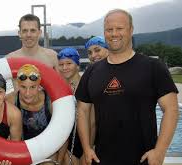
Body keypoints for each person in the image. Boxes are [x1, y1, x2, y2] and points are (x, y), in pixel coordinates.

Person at [76, 9, 179, 165]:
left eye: (119, 28)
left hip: (142, 159)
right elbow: (83, 111)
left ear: (131, 30)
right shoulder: (92, 71)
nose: (114, 33)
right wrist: (87, 148)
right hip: (101, 158)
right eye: (109, 30)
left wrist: (160, 151)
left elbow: (171, 109)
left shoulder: (152, 67)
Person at [6, 64, 56, 164]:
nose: (27, 93)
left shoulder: (50, 100)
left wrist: (58, 160)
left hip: (50, 150)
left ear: (39, 85)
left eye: (33, 87)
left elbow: (62, 134)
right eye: (23, 87)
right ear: (17, 85)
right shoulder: (11, 99)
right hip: (22, 151)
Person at [56, 47, 84, 165]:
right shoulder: (58, 89)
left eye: (69, 63)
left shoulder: (86, 86)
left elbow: (92, 122)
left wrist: (87, 149)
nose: (64, 67)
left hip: (84, 139)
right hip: (65, 142)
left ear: (77, 65)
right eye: (61, 64)